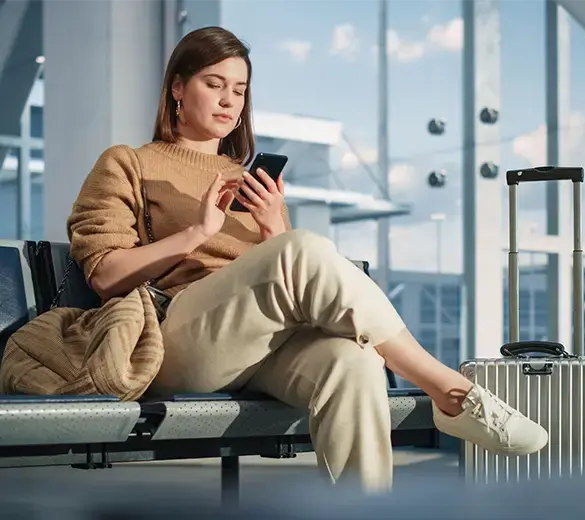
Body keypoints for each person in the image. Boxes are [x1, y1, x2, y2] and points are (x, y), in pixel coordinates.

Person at [66, 26, 548, 492]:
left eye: (239, 89)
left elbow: (288, 276)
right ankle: (449, 389)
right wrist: (198, 232)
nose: (229, 99)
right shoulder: (128, 162)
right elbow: (106, 275)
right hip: (176, 339)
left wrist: (274, 226)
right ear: (177, 88)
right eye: (213, 84)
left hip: (259, 346)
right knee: (303, 250)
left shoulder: (247, 179)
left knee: (353, 362)